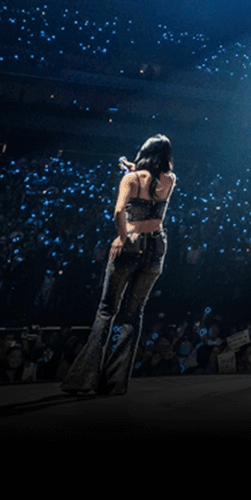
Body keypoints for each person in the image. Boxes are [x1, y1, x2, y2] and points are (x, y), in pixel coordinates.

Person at [61, 135, 175, 395]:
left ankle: (85, 380)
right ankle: (115, 383)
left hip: (130, 245)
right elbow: (154, 183)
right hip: (156, 248)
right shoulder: (170, 180)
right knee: (134, 314)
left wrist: (121, 237)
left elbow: (118, 211)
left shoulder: (130, 180)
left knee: (106, 311)